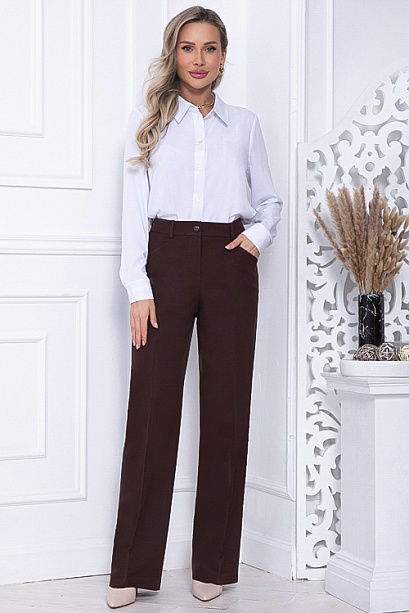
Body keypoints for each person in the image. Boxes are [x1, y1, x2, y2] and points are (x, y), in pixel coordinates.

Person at [106, 5, 282, 609]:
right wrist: (138, 287)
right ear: (173, 54)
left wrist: (255, 239)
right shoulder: (148, 122)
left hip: (231, 260)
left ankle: (213, 562)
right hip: (167, 259)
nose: (199, 60)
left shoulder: (245, 125)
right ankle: (131, 568)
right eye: (188, 48)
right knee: (151, 412)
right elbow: (134, 212)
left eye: (210, 48)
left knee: (228, 412)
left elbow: (269, 201)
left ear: (224, 56)